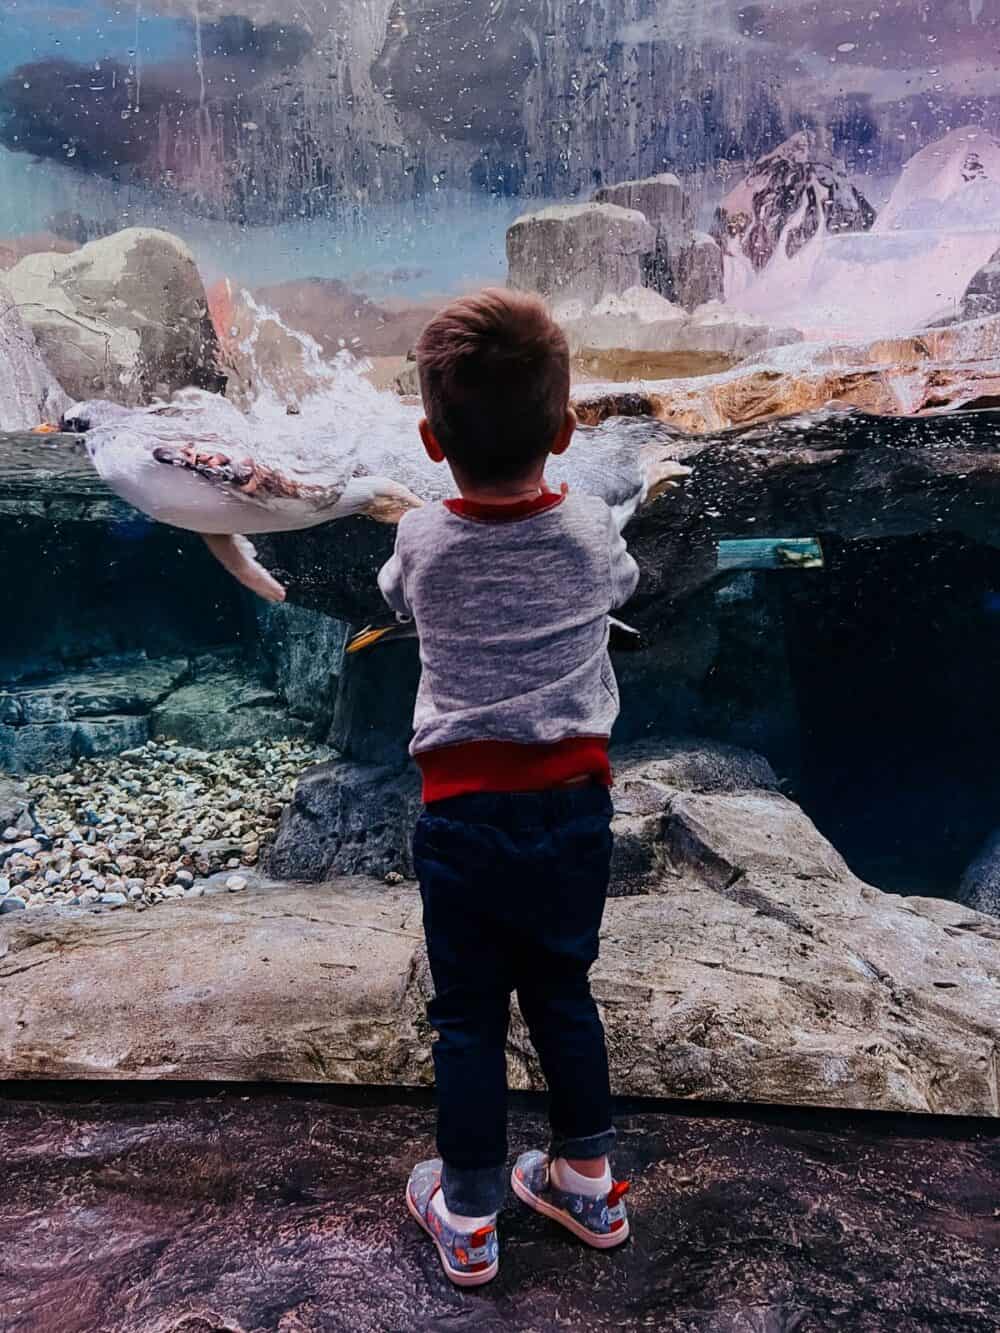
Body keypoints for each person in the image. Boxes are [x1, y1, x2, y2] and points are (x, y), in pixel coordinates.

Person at [378, 288, 637, 1287]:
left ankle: (473, 1211)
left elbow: (395, 598)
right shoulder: (586, 532)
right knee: (564, 991)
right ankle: (585, 1181)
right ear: (566, 431)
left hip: (462, 814)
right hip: (573, 804)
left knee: (469, 1016)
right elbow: (622, 585)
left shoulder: (420, 539)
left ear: (430, 438)